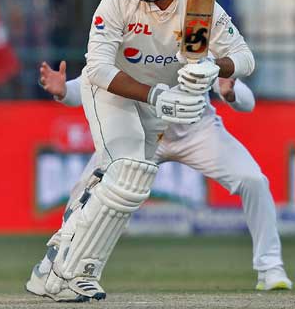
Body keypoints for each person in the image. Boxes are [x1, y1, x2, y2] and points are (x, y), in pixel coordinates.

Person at [36, 0, 256, 302]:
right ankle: (65, 269)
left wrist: (214, 67)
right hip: (111, 90)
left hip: (158, 104)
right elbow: (99, 69)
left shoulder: (198, 5)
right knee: (122, 167)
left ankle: (61, 267)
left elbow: (245, 58)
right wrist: (155, 95)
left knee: (128, 182)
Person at [27, 60, 292, 300]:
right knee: (84, 189)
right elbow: (95, 82)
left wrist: (229, 92)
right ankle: (56, 266)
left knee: (253, 180)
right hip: (139, 133)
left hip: (196, 131)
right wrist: (63, 91)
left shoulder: (189, 39)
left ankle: (270, 268)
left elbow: (247, 102)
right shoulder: (129, 34)